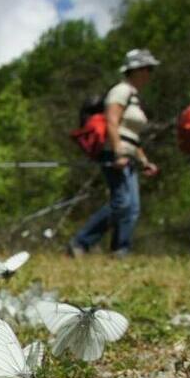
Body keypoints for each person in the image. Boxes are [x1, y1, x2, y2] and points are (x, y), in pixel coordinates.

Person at [68, 49, 160, 257]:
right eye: (147, 68)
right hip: (115, 153)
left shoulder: (134, 97)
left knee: (132, 206)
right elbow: (112, 122)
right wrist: (118, 152)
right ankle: (80, 243)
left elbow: (131, 135)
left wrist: (143, 160)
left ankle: (121, 250)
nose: (150, 73)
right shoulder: (121, 91)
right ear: (135, 70)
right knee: (122, 202)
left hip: (128, 154)